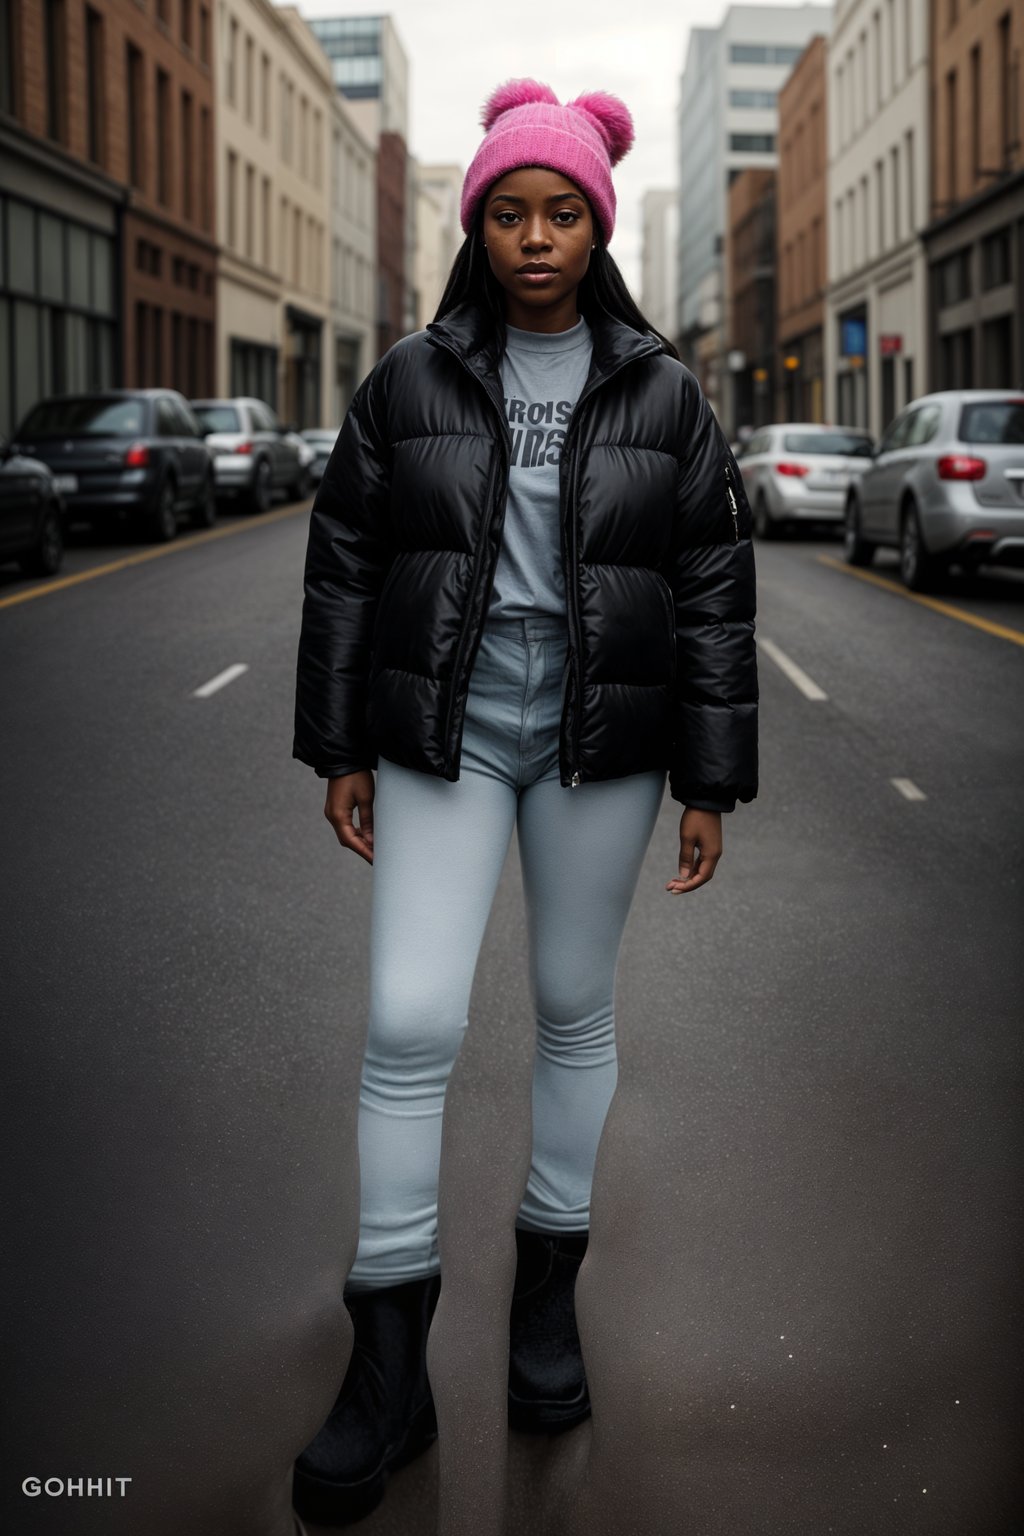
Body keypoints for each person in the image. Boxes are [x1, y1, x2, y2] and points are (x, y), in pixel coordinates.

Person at [291, 78, 758, 1526]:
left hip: (600, 745)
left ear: (597, 225)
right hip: (445, 739)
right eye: (511, 212)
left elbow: (710, 585)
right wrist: (342, 746)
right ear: (479, 225)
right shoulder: (411, 381)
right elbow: (347, 560)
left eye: (563, 213)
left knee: (572, 1004)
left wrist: (711, 775)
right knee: (411, 1021)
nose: (537, 236)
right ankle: (388, 1369)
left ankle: (546, 1304)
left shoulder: (665, 392)